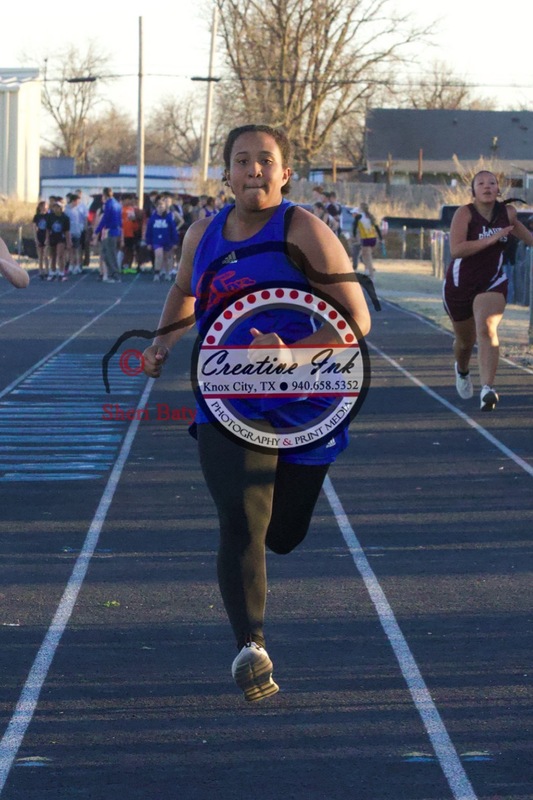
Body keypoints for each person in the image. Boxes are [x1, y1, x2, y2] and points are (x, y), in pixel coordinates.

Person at [142, 124, 371, 702]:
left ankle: (261, 574)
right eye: (242, 161)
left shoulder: (305, 231)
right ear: (227, 173)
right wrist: (162, 344)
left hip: (308, 399)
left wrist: (289, 354)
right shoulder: (203, 234)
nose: (253, 171)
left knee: (283, 533)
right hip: (227, 394)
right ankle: (252, 647)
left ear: (285, 173)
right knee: (240, 518)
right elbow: (182, 293)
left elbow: (357, 319)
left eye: (265, 161)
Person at [444, 170, 533, 411]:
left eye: (492, 183)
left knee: (487, 327)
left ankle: (487, 389)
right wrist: (490, 239)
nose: (487, 186)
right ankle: (462, 371)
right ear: (473, 191)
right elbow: (456, 250)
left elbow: (529, 239)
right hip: (460, 284)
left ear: (498, 189)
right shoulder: (464, 213)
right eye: (481, 183)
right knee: (465, 342)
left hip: (492, 281)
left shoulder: (508, 214)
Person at [145, 195, 179, 281]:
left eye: (162, 206)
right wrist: (148, 242)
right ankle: (157, 273)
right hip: (156, 241)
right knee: (158, 255)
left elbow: (173, 230)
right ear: (156, 207)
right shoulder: (152, 218)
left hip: (167, 240)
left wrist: (175, 242)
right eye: (159, 206)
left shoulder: (168, 218)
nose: (160, 208)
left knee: (167, 257)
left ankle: (167, 273)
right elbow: (149, 231)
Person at [94, 187, 123, 283]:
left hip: (109, 231)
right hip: (115, 231)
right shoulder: (117, 204)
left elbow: (105, 219)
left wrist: (97, 231)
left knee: (109, 254)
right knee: (109, 253)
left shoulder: (109, 204)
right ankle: (113, 274)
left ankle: (113, 275)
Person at [46, 200, 71, 281]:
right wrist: (47, 239)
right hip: (52, 237)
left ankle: (61, 272)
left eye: (58, 207)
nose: (56, 209)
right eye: (55, 207)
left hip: (61, 237)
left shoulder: (65, 218)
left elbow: (67, 231)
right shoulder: (50, 217)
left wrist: (68, 242)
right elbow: (48, 229)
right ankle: (52, 271)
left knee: (60, 255)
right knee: (52, 256)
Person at [356, 202, 382, 279]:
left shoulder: (361, 218)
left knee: (368, 257)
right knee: (363, 255)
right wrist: (379, 238)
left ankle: (371, 274)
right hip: (373, 238)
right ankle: (367, 270)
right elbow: (376, 228)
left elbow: (359, 230)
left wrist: (357, 238)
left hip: (366, 238)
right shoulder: (370, 217)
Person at [64, 192, 88, 274]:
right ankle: (71, 264)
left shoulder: (79, 209)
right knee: (70, 249)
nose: (78, 203)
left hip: (78, 231)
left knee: (77, 249)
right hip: (69, 232)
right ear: (73, 201)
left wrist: (84, 228)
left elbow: (84, 219)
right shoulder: (66, 209)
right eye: (77, 201)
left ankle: (78, 265)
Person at [33, 200, 50, 280]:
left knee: (46, 255)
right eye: (43, 207)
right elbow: (34, 228)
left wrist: (47, 238)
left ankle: (47, 271)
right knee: (40, 256)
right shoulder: (36, 216)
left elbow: (48, 229)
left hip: (45, 236)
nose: (44, 208)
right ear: (40, 207)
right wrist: (36, 239)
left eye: (46, 207)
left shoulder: (48, 216)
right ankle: (40, 271)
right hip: (39, 236)